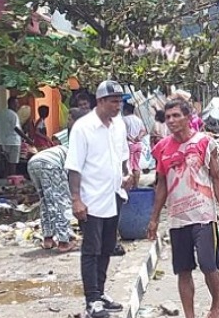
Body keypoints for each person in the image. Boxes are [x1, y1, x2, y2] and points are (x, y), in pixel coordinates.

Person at [147, 99, 219, 318]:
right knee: (183, 270)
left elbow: (217, 178)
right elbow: (162, 184)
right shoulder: (162, 148)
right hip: (177, 219)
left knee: (208, 264)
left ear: (188, 117)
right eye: (168, 117)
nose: (171, 120)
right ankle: (189, 315)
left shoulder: (204, 142)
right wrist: (154, 218)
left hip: (203, 216)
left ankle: (217, 305)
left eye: (176, 115)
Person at [66, 80, 133, 318]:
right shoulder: (83, 128)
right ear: (100, 101)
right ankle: (91, 299)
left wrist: (126, 175)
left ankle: (101, 292)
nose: (118, 106)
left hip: (113, 195)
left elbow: (122, 156)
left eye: (120, 101)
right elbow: (74, 167)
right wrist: (76, 199)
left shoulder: (118, 125)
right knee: (91, 250)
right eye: (113, 101)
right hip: (91, 198)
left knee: (107, 247)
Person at [28, 108, 88, 253]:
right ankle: (63, 242)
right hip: (50, 164)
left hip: (34, 163)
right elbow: (73, 178)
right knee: (61, 201)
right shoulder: (77, 150)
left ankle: (48, 239)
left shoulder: (67, 143)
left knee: (45, 202)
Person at [0, 97, 33, 178]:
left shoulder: (2, 113)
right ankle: (13, 178)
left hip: (3, 140)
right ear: (11, 104)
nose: (18, 105)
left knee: (8, 162)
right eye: (16, 103)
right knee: (13, 162)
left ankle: (6, 177)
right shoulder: (14, 115)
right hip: (14, 141)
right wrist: (28, 139)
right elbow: (16, 129)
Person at [122, 102, 147, 174]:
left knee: (128, 166)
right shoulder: (138, 119)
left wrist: (131, 139)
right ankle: (136, 181)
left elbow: (123, 133)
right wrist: (138, 137)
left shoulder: (124, 119)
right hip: (138, 144)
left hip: (129, 145)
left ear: (126, 110)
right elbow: (143, 130)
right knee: (136, 166)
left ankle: (130, 180)